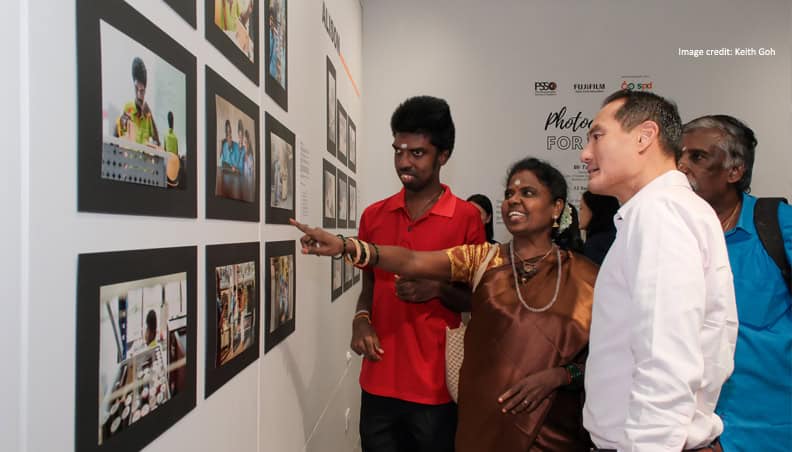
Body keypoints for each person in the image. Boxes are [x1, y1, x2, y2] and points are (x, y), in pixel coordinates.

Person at [292, 156, 598, 451]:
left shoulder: (587, 276)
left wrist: (560, 375)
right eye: (509, 193)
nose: (513, 200)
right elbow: (411, 259)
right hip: (485, 421)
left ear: (557, 207)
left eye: (527, 193)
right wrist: (346, 245)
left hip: (553, 424)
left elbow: (610, 357)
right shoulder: (484, 260)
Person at [580, 90, 738, 452]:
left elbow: (665, 361)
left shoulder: (659, 215)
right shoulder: (669, 210)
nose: (585, 153)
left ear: (644, 136)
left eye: (598, 136)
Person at [346, 96, 485, 452]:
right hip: (378, 381)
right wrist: (361, 319)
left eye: (417, 153)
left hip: (435, 388)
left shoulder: (467, 217)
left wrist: (437, 289)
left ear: (443, 155)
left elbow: (477, 299)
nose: (404, 162)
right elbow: (370, 285)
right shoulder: (374, 216)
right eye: (398, 151)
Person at [679, 114, 792, 452]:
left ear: (734, 171)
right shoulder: (666, 237)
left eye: (697, 157)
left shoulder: (778, 227)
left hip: (766, 436)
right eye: (678, 156)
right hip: (683, 436)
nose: (682, 166)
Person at [114, 57, 160, 146]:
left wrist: (150, 114)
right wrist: (120, 123)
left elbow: (157, 142)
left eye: (142, 90)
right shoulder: (128, 108)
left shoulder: (148, 115)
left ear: (145, 90)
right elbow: (116, 136)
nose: (139, 95)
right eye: (136, 89)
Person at [578, 191, 619, 265]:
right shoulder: (618, 237)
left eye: (581, 208)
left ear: (594, 211)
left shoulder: (594, 246)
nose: (579, 213)